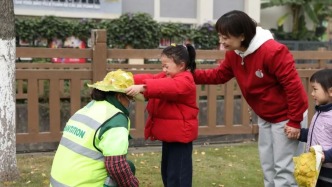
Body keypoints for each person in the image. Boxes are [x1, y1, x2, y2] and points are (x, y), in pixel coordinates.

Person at [192, 10, 308, 187]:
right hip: (265, 115)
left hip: (286, 116)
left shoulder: (273, 51)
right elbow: (219, 75)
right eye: (220, 36)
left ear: (242, 35)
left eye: (225, 37)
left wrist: (294, 121)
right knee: (268, 166)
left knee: (284, 169)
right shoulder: (234, 54)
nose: (221, 42)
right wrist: (189, 75)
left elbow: (293, 87)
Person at [50, 69, 144, 187]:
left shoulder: (86, 109)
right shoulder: (115, 119)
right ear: (120, 97)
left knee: (127, 166)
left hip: (58, 183)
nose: (130, 103)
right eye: (130, 99)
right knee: (125, 170)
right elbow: (116, 166)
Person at [125, 44, 199, 187]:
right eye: (162, 66)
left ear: (181, 65)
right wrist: (127, 79)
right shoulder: (169, 76)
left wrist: (142, 87)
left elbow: (166, 87)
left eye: (166, 66)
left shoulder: (186, 80)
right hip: (170, 137)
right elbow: (152, 78)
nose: (163, 70)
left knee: (178, 178)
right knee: (168, 174)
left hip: (180, 140)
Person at [288, 68, 332, 187]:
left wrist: (325, 155)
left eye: (315, 89)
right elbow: (317, 134)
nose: (312, 94)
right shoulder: (319, 112)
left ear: (330, 92)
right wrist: (300, 134)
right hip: (316, 168)